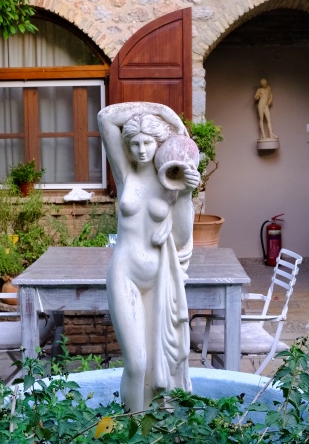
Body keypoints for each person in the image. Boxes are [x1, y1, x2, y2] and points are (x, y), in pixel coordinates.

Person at [97, 102, 200, 412]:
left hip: (159, 282)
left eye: (148, 142)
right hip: (125, 273)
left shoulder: (171, 181)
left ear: (159, 144)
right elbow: (105, 117)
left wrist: (186, 194)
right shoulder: (126, 175)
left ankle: (155, 427)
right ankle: (130, 426)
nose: (141, 149)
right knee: (137, 362)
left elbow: (181, 238)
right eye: (135, 143)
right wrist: (166, 113)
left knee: (158, 368)